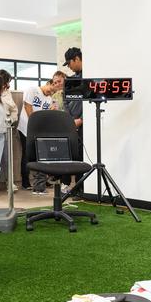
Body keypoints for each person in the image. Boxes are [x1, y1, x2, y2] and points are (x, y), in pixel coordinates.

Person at [17, 71, 66, 195]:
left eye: (53, 92)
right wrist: (34, 125)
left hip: (38, 130)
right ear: (49, 83)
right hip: (26, 127)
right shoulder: (32, 90)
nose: (51, 93)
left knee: (41, 155)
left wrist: (51, 110)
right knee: (27, 155)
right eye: (51, 89)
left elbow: (47, 114)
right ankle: (25, 181)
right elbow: (28, 108)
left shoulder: (50, 98)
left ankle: (40, 184)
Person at [62, 48, 84, 194]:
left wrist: (81, 120)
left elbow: (90, 101)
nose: (68, 66)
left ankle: (83, 189)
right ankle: (75, 188)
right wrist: (70, 119)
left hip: (83, 125)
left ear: (76, 59)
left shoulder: (89, 77)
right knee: (73, 156)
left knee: (82, 157)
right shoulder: (71, 80)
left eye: (69, 63)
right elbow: (66, 100)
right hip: (71, 123)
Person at [0, 69, 19, 192]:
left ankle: (10, 182)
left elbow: (14, 109)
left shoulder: (7, 93)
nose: (7, 85)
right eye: (6, 82)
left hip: (6, 128)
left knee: (7, 158)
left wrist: (11, 121)